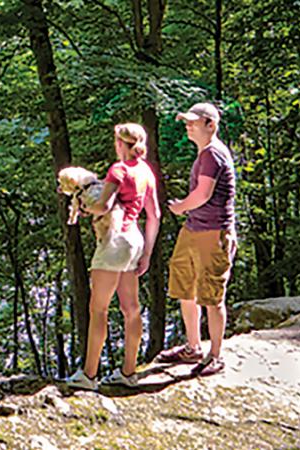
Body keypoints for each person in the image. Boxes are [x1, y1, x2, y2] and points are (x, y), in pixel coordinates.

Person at [67, 123, 161, 389]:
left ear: (120, 143)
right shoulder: (146, 171)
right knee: (131, 310)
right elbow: (154, 215)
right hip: (135, 241)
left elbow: (104, 205)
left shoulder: (118, 169)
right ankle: (128, 373)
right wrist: (148, 254)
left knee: (98, 309)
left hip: (114, 242)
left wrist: (84, 205)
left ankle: (88, 375)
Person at [155, 102, 238, 377]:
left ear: (210, 125)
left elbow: (203, 194)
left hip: (213, 233)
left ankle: (215, 355)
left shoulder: (213, 154)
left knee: (212, 296)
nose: (188, 126)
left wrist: (180, 207)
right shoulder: (205, 153)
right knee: (184, 287)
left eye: (193, 122)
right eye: (187, 121)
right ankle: (193, 347)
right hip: (194, 230)